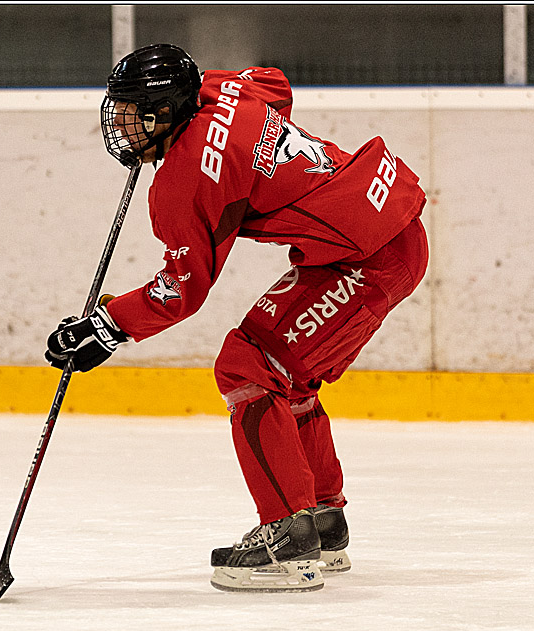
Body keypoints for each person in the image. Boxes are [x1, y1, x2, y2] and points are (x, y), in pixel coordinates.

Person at [44, 44, 428, 593]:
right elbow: (275, 82)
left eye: (135, 113)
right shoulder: (226, 89)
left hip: (366, 255)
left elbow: (181, 290)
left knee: (247, 367)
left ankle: (288, 539)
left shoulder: (185, 180)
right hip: (386, 226)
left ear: (166, 113)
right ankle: (321, 520)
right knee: (283, 372)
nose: (123, 126)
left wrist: (107, 326)